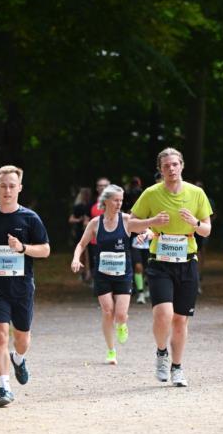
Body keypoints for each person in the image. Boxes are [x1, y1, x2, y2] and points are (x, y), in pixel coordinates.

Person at [130, 147, 213, 387]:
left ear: (182, 166)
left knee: (180, 320)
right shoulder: (151, 194)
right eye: (166, 166)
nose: (171, 169)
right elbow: (132, 224)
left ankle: (177, 367)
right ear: (160, 169)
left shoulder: (196, 193)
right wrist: (152, 222)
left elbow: (207, 229)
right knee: (163, 314)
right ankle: (161, 352)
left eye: (175, 164)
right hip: (160, 263)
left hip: (187, 262)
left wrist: (195, 223)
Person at [0, 166, 50, 408]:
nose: (7, 190)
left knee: (22, 339)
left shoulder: (30, 218)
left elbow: (45, 250)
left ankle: (19, 359)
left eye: (12, 185)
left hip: (22, 288)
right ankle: (4, 387)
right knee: (0, 336)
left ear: (19, 188)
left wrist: (23, 248)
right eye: (3, 185)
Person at [71, 184, 168, 364]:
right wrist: (76, 259)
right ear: (106, 201)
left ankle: (122, 324)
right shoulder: (95, 223)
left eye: (121, 200)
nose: (119, 203)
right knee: (108, 311)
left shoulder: (126, 220)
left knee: (120, 315)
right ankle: (111, 350)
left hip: (123, 274)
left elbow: (148, 229)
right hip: (102, 275)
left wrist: (145, 235)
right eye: (116, 200)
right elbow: (81, 244)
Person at [125, 178, 149, 303]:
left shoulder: (150, 207)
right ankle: (140, 293)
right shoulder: (129, 209)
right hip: (135, 241)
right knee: (138, 267)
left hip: (149, 240)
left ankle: (146, 287)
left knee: (148, 267)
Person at [68, 187, 92, 281]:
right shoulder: (78, 207)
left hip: (90, 233)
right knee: (82, 253)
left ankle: (88, 272)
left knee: (89, 254)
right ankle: (82, 272)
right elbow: (71, 219)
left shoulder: (91, 205)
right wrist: (79, 220)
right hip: (80, 232)